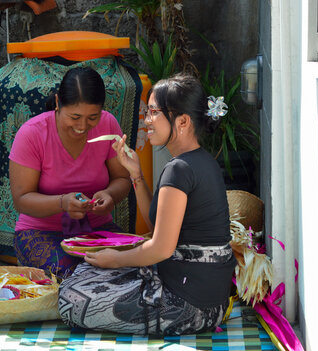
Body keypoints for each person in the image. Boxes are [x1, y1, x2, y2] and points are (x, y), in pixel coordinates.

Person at [58, 73, 237, 335]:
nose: (147, 121)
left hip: (187, 306)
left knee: (70, 299)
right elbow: (158, 226)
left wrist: (116, 260)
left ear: (183, 121)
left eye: (153, 112)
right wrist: (135, 174)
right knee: (87, 271)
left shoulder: (179, 169)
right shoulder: (202, 162)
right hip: (212, 301)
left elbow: (161, 248)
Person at [8, 67, 131, 278]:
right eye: (74, 117)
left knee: (136, 265)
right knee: (77, 277)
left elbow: (122, 179)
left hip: (96, 229)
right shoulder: (32, 134)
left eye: (93, 117)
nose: (83, 126)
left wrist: (110, 195)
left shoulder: (108, 123)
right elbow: (21, 200)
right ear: (57, 103)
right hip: (41, 232)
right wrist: (62, 203)